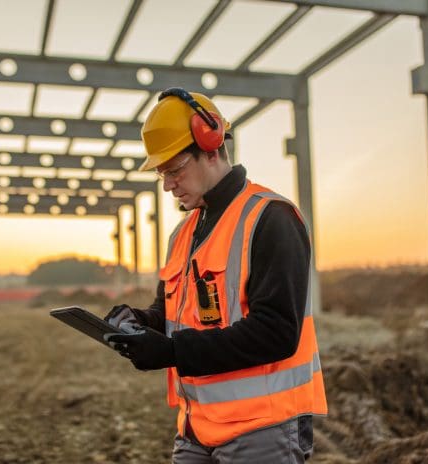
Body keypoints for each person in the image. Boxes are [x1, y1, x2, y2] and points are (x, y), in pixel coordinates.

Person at [104, 88, 327, 463]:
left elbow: (276, 333)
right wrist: (139, 323)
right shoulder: (183, 233)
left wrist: (172, 352)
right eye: (162, 173)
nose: (168, 184)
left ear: (210, 146)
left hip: (264, 428)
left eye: (175, 170)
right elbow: (172, 313)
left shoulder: (271, 219)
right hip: (196, 426)